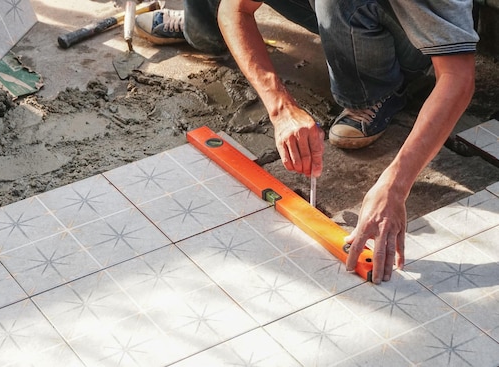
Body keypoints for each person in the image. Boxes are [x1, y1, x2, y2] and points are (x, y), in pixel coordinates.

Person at [135, 0, 478, 284]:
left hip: (421, 25)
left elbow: (457, 78)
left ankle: (377, 91)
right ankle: (201, 31)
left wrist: (394, 185)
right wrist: (280, 107)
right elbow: (234, 10)